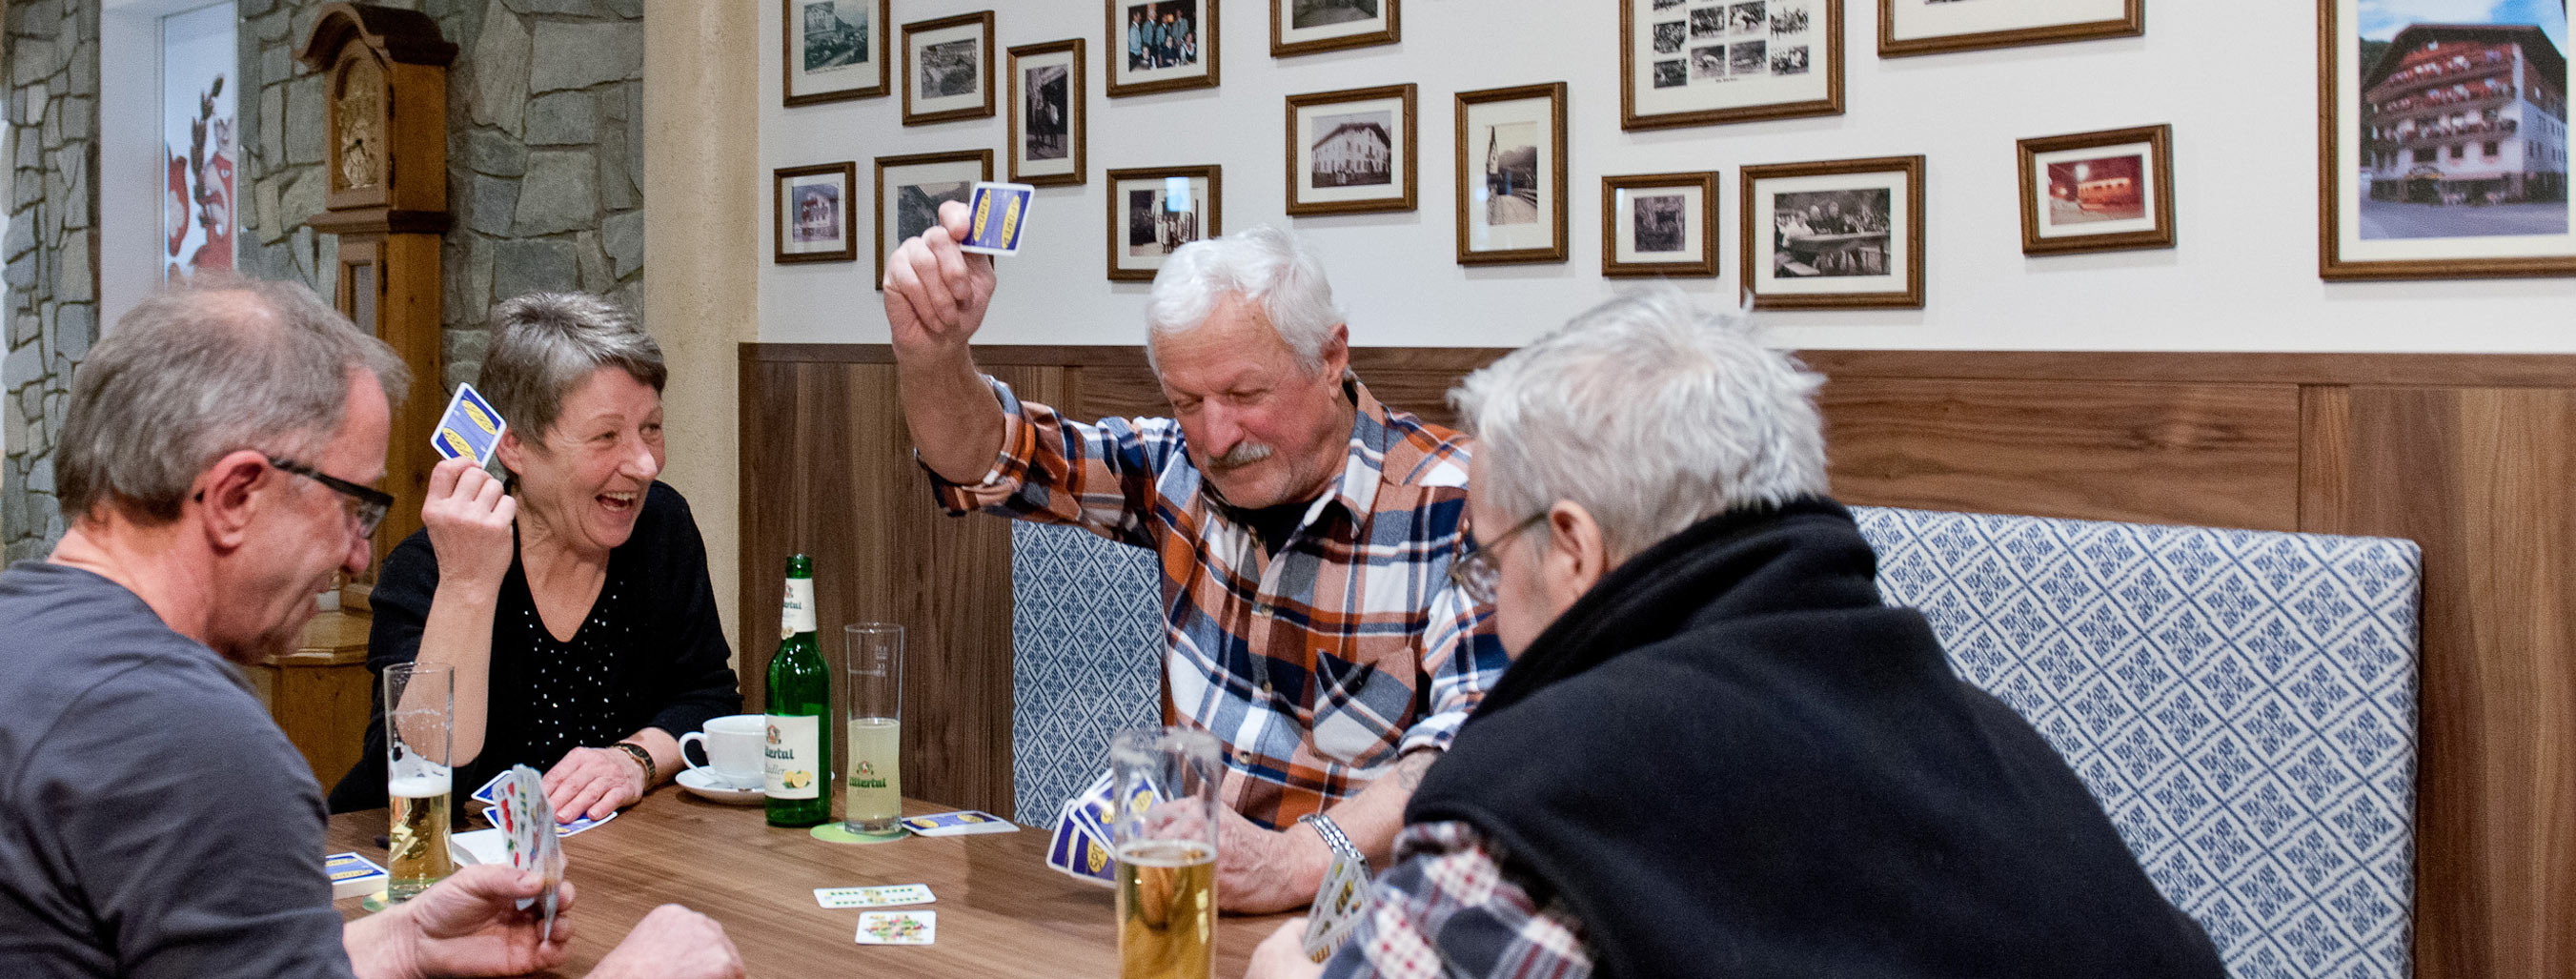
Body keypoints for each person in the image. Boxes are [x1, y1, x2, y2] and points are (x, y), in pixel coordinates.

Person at [1248, 290, 2226, 979]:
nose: (1494, 601)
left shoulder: (1548, 800)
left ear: (1574, 550)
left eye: (1491, 563)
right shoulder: (1993, 744)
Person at [0, 276, 743, 979]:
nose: (357, 556)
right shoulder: (197, 748)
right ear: (233, 497)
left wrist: (402, 938)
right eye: (352, 506)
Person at [882, 213, 1505, 913]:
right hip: (1186, 914)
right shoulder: (1173, 464)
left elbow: (1483, 734)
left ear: (1331, 359)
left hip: (1364, 929)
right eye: (1186, 401)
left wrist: (1298, 857)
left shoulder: (1467, 501)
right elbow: (987, 458)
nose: (1215, 435)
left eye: (1244, 395)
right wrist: (932, 357)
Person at [330, 293, 740, 824]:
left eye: (652, 428)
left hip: (607, 863)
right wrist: (468, 585)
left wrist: (632, 760)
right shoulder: (425, 569)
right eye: (606, 436)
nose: (643, 464)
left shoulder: (662, 526)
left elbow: (708, 699)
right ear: (515, 445)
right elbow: (422, 781)